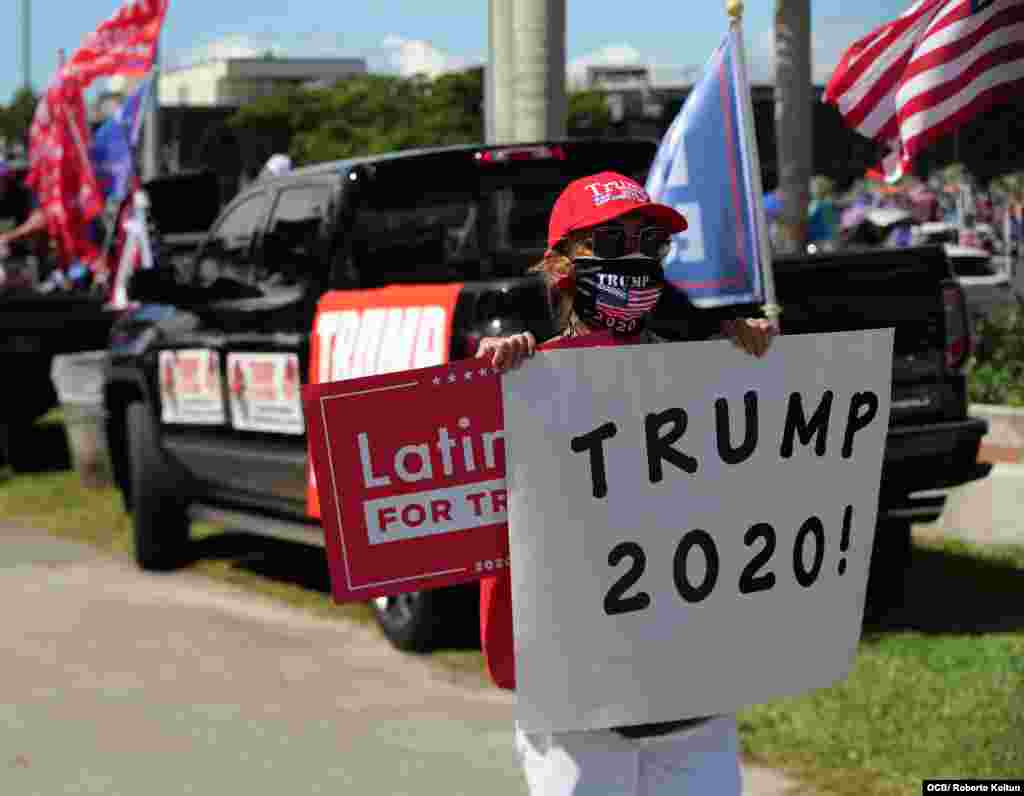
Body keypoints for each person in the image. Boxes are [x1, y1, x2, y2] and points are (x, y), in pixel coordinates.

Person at [474, 171, 776, 796]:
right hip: (577, 707)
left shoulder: (706, 369)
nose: (635, 260)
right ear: (560, 266)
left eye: (650, 243)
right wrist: (490, 385)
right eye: (611, 245)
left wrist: (760, 360)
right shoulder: (525, 379)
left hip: (694, 702)